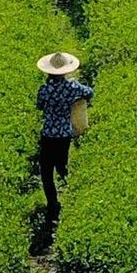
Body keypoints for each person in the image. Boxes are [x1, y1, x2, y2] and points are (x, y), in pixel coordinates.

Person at [35, 50, 93, 230]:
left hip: (48, 134)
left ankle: (53, 203)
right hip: (64, 134)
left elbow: (39, 106)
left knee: (46, 171)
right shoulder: (72, 87)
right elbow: (89, 92)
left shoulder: (45, 90)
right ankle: (72, 194)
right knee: (62, 165)